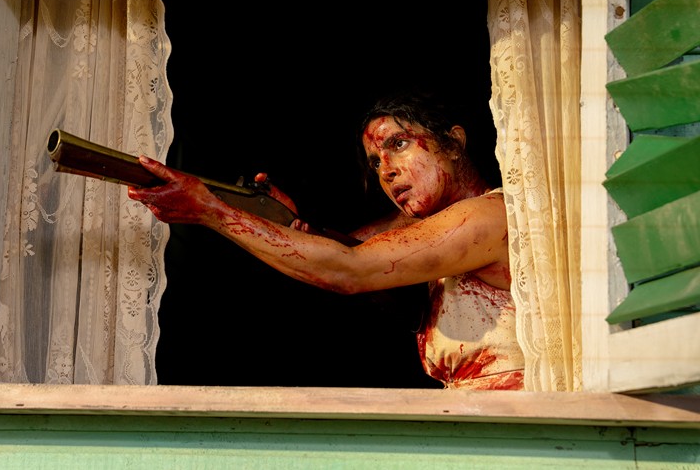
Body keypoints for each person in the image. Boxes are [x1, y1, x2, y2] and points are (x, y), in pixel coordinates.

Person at [128, 91, 525, 390]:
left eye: (398, 144)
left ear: (453, 143)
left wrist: (210, 210)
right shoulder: (435, 227)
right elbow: (351, 250)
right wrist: (288, 223)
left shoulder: (489, 215)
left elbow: (350, 268)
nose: (385, 171)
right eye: (374, 161)